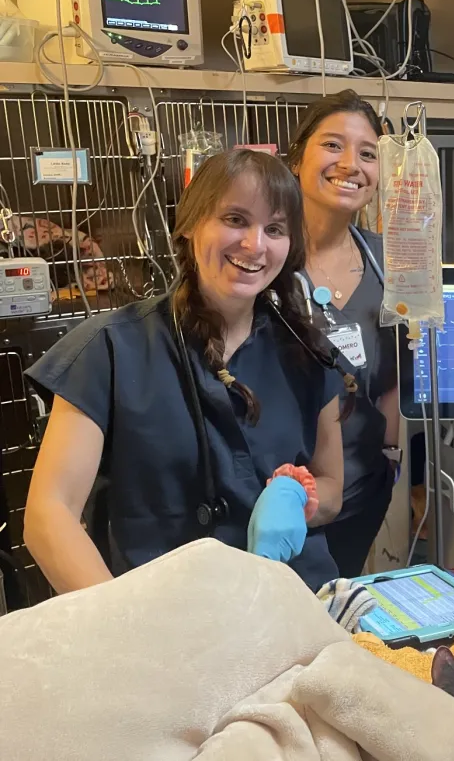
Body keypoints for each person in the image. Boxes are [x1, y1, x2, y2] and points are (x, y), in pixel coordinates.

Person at [23, 149, 354, 593]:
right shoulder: (110, 350)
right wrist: (117, 618)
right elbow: (50, 513)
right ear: (191, 224)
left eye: (274, 229)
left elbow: (332, 483)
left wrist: (300, 498)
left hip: (293, 603)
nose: (255, 244)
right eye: (235, 219)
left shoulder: (308, 354)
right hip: (163, 617)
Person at [286, 90, 401, 578]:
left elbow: (398, 376)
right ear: (297, 159)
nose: (350, 164)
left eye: (368, 153)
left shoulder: (392, 260)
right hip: (279, 494)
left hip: (362, 493)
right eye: (333, 145)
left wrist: (402, 469)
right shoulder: (262, 257)